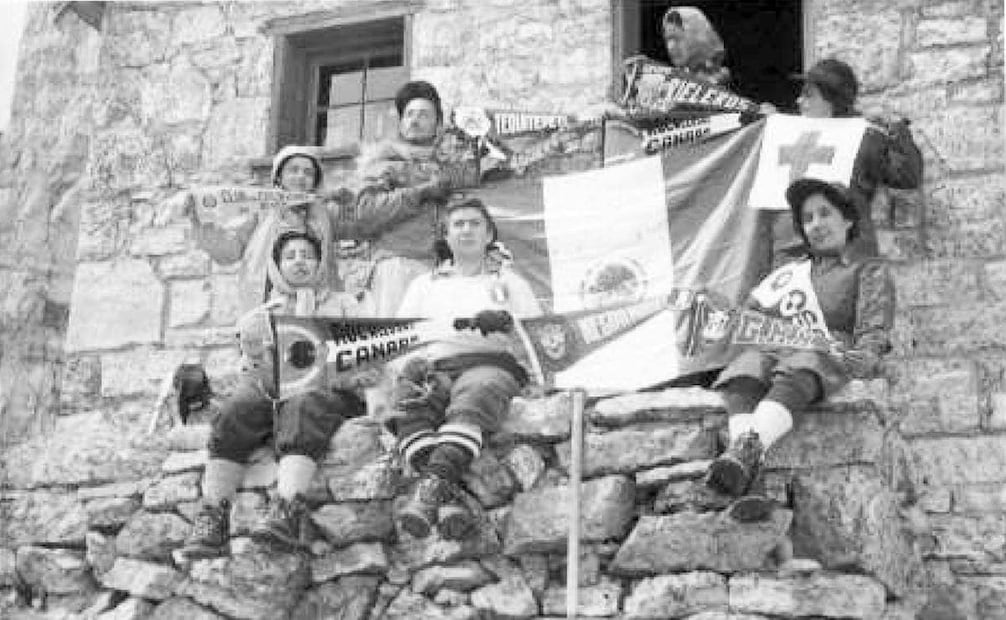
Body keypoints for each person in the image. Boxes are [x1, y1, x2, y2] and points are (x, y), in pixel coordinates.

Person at [705, 178, 893, 518]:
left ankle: (744, 456)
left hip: (825, 353)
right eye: (807, 218)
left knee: (806, 359)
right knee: (745, 367)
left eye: (825, 213)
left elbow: (873, 329)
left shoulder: (867, 268)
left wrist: (864, 358)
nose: (816, 224)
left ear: (848, 219)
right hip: (777, 352)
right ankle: (752, 480)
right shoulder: (787, 274)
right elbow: (750, 321)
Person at [180, 229, 365, 557]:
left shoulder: (346, 305)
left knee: (304, 402)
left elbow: (367, 358)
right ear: (277, 266)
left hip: (328, 389)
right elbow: (249, 373)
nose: (300, 262)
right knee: (236, 409)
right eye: (290, 256)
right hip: (273, 389)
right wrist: (255, 359)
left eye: (307, 255)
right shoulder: (262, 314)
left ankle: (287, 508)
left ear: (321, 263)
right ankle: (213, 515)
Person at [389, 198, 542, 540]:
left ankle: (428, 492)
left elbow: (539, 340)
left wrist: (508, 325)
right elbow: (399, 338)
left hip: (488, 364)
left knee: (477, 393)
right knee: (409, 404)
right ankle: (447, 496)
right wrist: (410, 368)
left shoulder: (510, 283)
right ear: (447, 235)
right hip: (436, 367)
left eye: (475, 223)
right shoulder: (424, 285)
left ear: (489, 234)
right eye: (458, 224)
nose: (466, 230)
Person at [772, 58, 923, 259]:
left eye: (809, 95)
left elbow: (906, 177)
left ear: (832, 101)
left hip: (848, 261)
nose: (800, 101)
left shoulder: (865, 138)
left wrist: (895, 130)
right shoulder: (786, 135)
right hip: (795, 264)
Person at [344, 79, 471, 317]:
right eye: (409, 114)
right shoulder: (385, 164)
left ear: (438, 124)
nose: (414, 120)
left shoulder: (453, 168)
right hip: (397, 267)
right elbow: (366, 213)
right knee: (397, 347)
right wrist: (421, 193)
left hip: (442, 272)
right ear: (401, 124)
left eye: (423, 114)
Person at [624, 6, 731, 87]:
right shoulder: (672, 79)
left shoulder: (719, 77)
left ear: (697, 37)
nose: (670, 47)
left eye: (677, 39)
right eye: (667, 40)